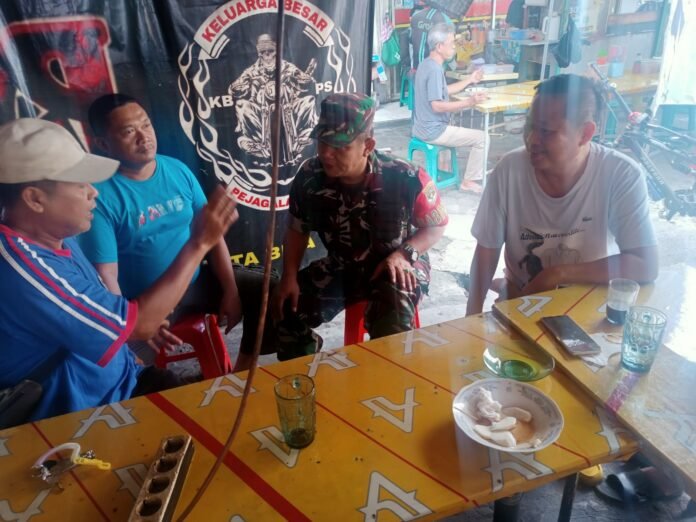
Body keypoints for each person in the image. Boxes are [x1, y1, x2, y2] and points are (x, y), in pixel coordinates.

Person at [0, 118, 236, 421]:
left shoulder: (57, 236)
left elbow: (106, 311)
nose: (93, 193)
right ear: (35, 198)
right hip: (83, 415)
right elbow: (141, 326)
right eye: (80, 185)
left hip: (125, 379)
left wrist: (127, 348)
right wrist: (199, 243)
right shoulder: (23, 267)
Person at [78, 94, 272, 372]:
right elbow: (105, 276)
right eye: (129, 131)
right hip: (145, 301)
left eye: (146, 125)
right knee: (128, 367)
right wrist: (134, 325)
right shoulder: (99, 196)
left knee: (267, 290)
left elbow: (213, 235)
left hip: (194, 283)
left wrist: (231, 290)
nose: (144, 137)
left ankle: (243, 371)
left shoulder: (177, 170)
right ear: (103, 144)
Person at [465, 74, 658, 315]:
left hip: (589, 304)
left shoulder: (621, 174)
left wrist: (557, 274)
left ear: (585, 134)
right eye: (530, 126)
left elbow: (645, 264)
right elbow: (487, 250)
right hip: (522, 302)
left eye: (546, 131)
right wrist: (472, 313)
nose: (532, 139)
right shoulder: (508, 170)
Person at [272, 93, 449, 356]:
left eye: (339, 146)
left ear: (367, 146)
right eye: (322, 142)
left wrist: (405, 254)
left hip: (395, 264)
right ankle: (309, 372)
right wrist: (289, 276)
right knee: (284, 309)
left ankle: (387, 375)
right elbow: (297, 230)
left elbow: (436, 225)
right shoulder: (310, 177)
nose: (326, 153)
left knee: (393, 320)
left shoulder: (405, 176)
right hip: (342, 265)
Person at [412, 23, 489, 193]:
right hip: (433, 131)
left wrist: (470, 80)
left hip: (421, 127)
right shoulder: (434, 69)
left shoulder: (426, 64)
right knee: (482, 138)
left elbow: (444, 90)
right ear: (439, 47)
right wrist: (469, 102)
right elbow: (437, 106)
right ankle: (469, 181)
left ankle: (445, 169)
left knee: (454, 125)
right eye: (452, 43)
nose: (454, 47)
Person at [228, 33, 317, 168]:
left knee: (309, 100)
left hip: (289, 108)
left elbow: (304, 83)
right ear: (259, 53)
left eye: (270, 50)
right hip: (260, 113)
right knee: (241, 105)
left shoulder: (288, 67)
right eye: (263, 51)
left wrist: (305, 80)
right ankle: (255, 141)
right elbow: (236, 89)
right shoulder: (251, 71)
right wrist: (236, 88)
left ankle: (302, 137)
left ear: (276, 51)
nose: (267, 54)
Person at [410, 2, 451, 70]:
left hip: (416, 66)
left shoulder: (415, 15)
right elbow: (448, 48)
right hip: (435, 67)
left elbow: (410, 39)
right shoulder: (445, 19)